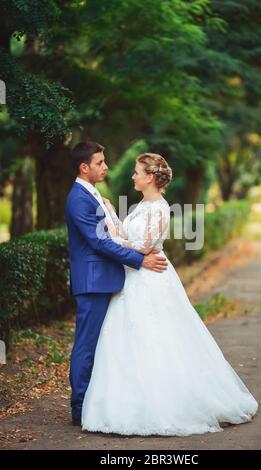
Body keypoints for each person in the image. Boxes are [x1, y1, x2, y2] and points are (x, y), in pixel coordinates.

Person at [81, 152, 258, 436]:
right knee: (126, 339)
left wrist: (113, 234)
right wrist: (112, 215)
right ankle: (128, 403)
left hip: (151, 278)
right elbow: (129, 239)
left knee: (159, 337)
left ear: (150, 177)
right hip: (133, 277)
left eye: (137, 172)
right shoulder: (141, 205)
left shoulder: (160, 208)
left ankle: (164, 403)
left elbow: (143, 245)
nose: (133, 176)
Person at [65, 142, 168, 426]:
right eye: (100, 162)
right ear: (84, 167)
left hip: (107, 279)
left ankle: (99, 401)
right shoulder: (78, 198)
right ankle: (80, 406)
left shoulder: (93, 195)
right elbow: (99, 242)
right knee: (87, 345)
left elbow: (114, 234)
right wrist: (139, 260)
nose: (106, 166)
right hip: (93, 282)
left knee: (104, 343)